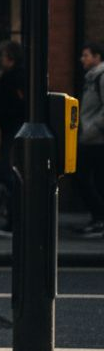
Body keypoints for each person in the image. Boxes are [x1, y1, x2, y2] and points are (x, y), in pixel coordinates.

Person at [0, 40, 26, 237]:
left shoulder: (16, 77)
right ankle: (12, 220)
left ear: (10, 58)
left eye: (2, 56)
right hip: (9, 130)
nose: (0, 60)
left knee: (10, 175)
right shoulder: (10, 76)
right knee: (9, 175)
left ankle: (14, 223)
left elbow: (17, 105)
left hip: (13, 131)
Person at [76, 41, 104, 237]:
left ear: (97, 57)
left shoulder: (101, 77)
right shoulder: (91, 78)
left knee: (84, 179)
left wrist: (91, 130)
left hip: (96, 139)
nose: (82, 59)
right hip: (90, 138)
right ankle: (98, 219)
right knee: (91, 180)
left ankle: (99, 219)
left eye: (86, 55)